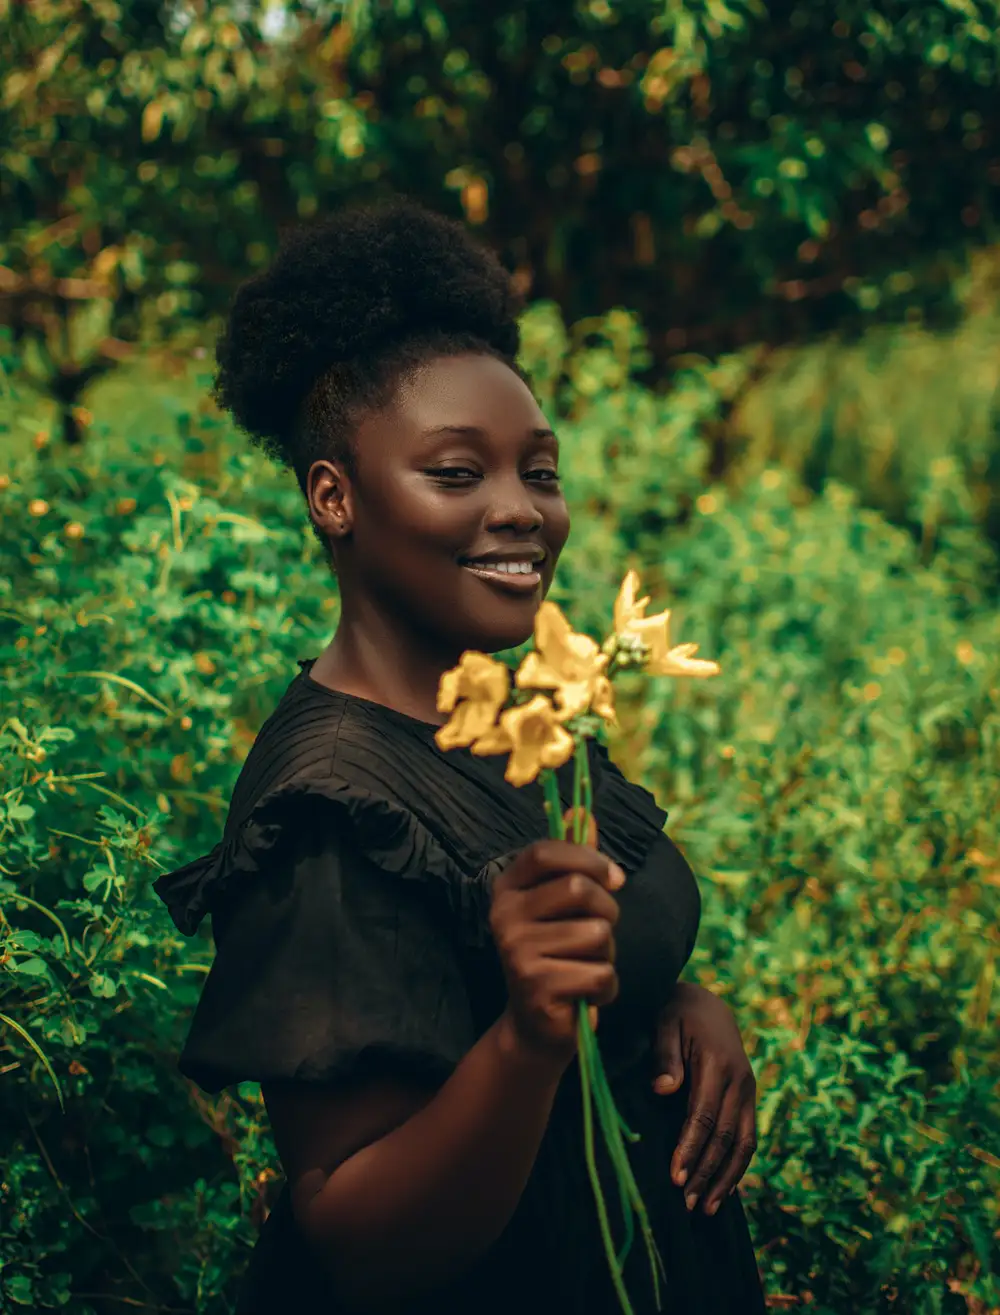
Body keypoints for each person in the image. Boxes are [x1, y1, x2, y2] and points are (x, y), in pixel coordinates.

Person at [154, 198, 766, 1315]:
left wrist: (674, 1000)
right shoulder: (331, 810)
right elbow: (359, 1241)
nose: (519, 511)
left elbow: (589, 954)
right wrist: (533, 1036)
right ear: (332, 496)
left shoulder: (519, 708)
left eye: (537, 471)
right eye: (454, 473)